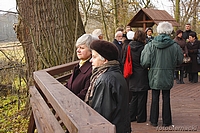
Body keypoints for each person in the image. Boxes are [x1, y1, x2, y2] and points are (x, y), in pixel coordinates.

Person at [140, 22, 183, 127]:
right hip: (168, 74)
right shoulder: (174, 46)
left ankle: (153, 121)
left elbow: (145, 62)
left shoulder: (150, 45)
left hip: (154, 74)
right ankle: (166, 121)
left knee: (154, 97)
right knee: (166, 96)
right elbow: (180, 60)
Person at [85, 40, 131, 133]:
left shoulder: (106, 80)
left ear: (105, 60)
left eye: (94, 57)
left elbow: (101, 114)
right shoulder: (115, 73)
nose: (91, 60)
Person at [123, 30, 150, 123]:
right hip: (142, 73)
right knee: (142, 97)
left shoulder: (128, 46)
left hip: (132, 73)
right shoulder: (144, 47)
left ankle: (132, 116)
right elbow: (146, 61)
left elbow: (124, 59)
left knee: (134, 96)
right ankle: (141, 117)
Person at [64, 34, 98, 100]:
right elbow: (68, 84)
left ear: (91, 51)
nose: (78, 50)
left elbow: (84, 94)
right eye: (77, 48)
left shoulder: (92, 69)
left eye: (82, 48)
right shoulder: (80, 65)